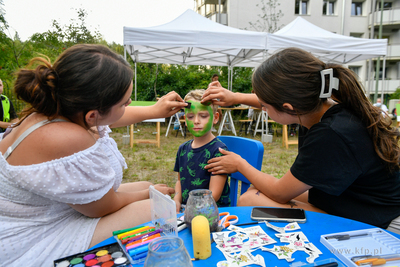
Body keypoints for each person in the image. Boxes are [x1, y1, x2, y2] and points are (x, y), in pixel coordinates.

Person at [0, 44, 188, 266]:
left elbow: (111, 116)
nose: (129, 105)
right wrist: (149, 192)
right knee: (155, 207)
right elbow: (103, 207)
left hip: (48, 210)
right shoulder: (68, 138)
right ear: (92, 115)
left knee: (148, 187)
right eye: (125, 102)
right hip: (33, 237)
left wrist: (155, 110)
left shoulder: (56, 111)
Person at [202, 47, 400, 233]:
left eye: (264, 106)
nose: (262, 108)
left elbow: (280, 193)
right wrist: (235, 97)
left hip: (378, 221)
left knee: (248, 200)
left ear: (289, 107)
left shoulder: (330, 134)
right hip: (351, 201)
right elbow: (275, 102)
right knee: (257, 190)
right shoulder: (322, 107)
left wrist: (239, 164)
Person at [173, 89, 230, 212]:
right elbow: (179, 181)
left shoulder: (219, 151)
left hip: (212, 212)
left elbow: (214, 195)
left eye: (203, 116)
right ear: (185, 120)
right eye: (190, 116)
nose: (196, 121)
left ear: (215, 118)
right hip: (186, 210)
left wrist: (191, 210)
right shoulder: (182, 149)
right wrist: (176, 200)